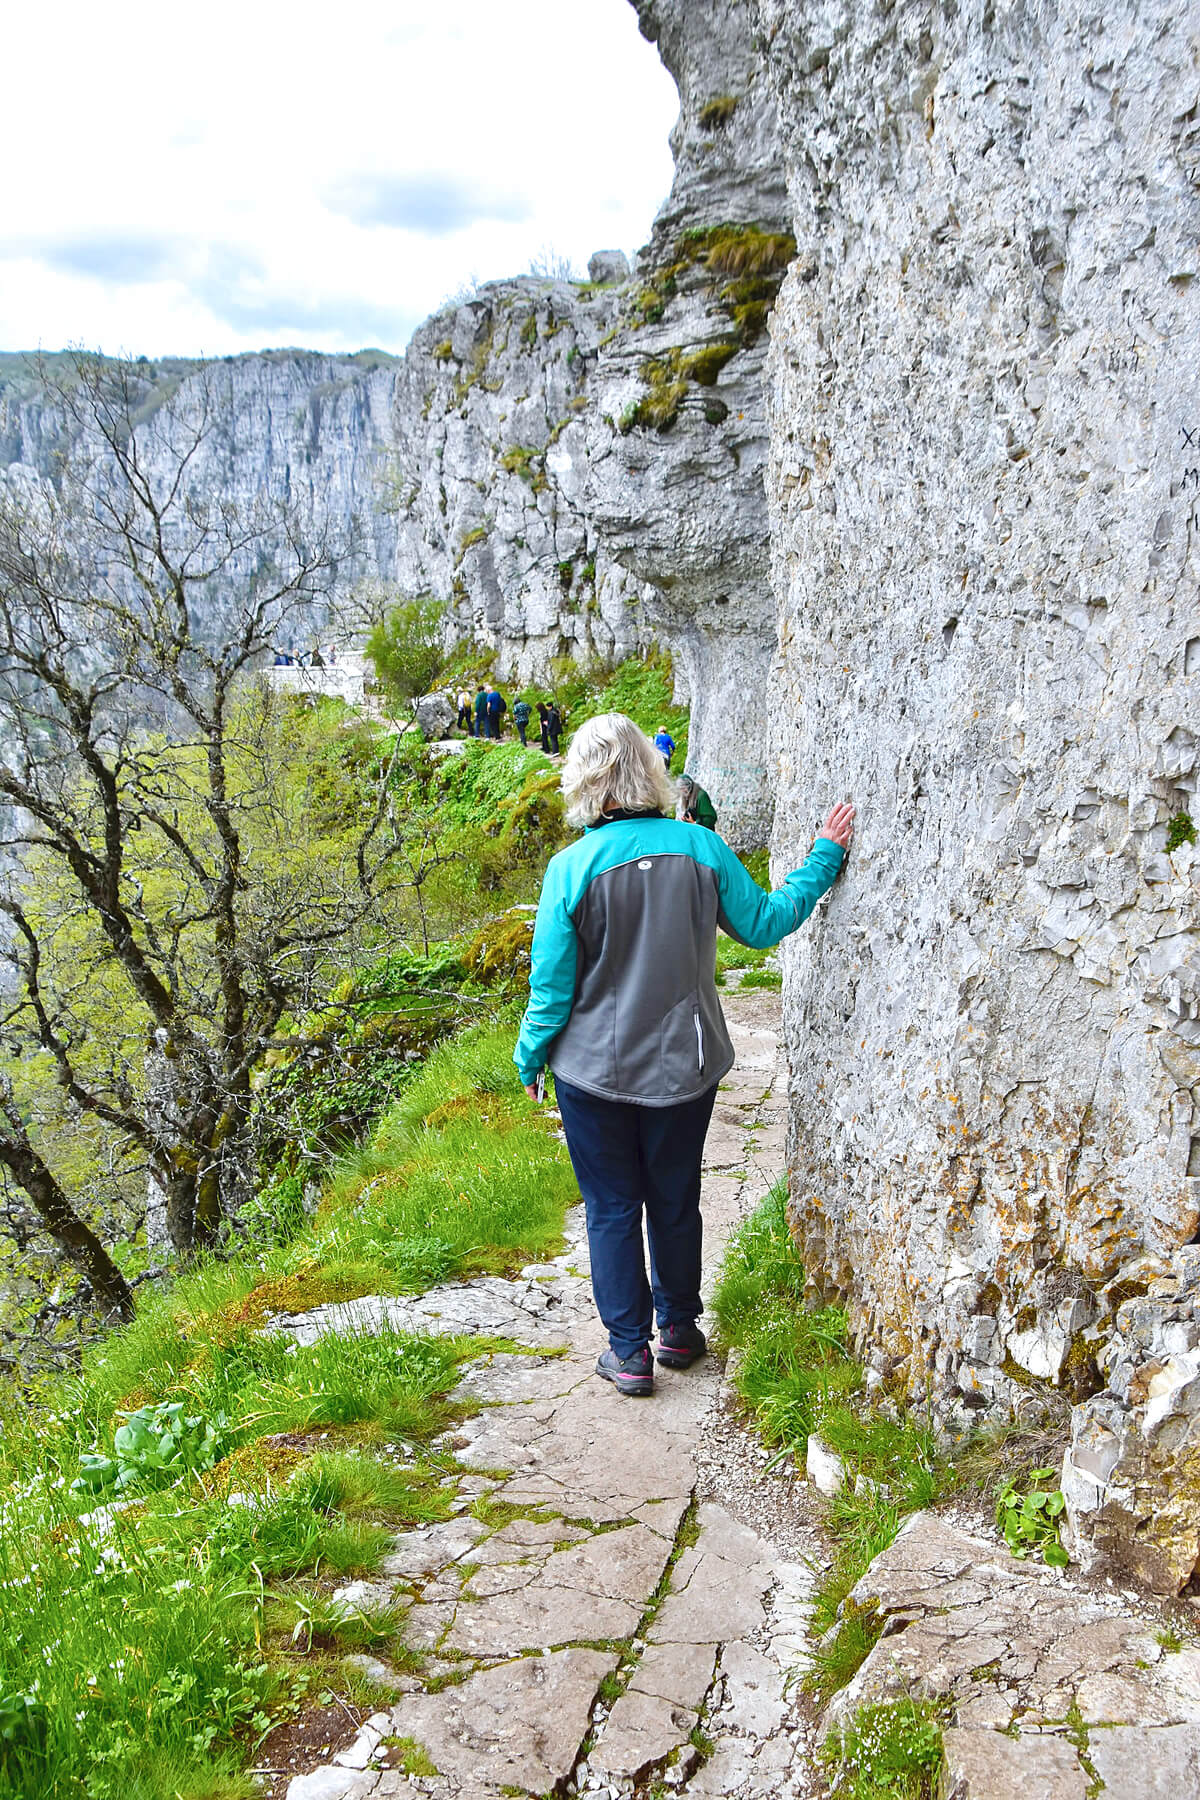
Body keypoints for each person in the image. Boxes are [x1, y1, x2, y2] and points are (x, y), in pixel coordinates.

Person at [514, 713, 853, 1398]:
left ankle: (628, 1354)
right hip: (684, 1066)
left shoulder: (569, 868)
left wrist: (530, 1061)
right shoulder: (701, 848)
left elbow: (550, 990)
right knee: (674, 1198)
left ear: (582, 782)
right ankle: (678, 1330)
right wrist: (824, 855)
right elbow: (764, 924)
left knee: (611, 1207)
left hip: (593, 1073)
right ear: (648, 770)